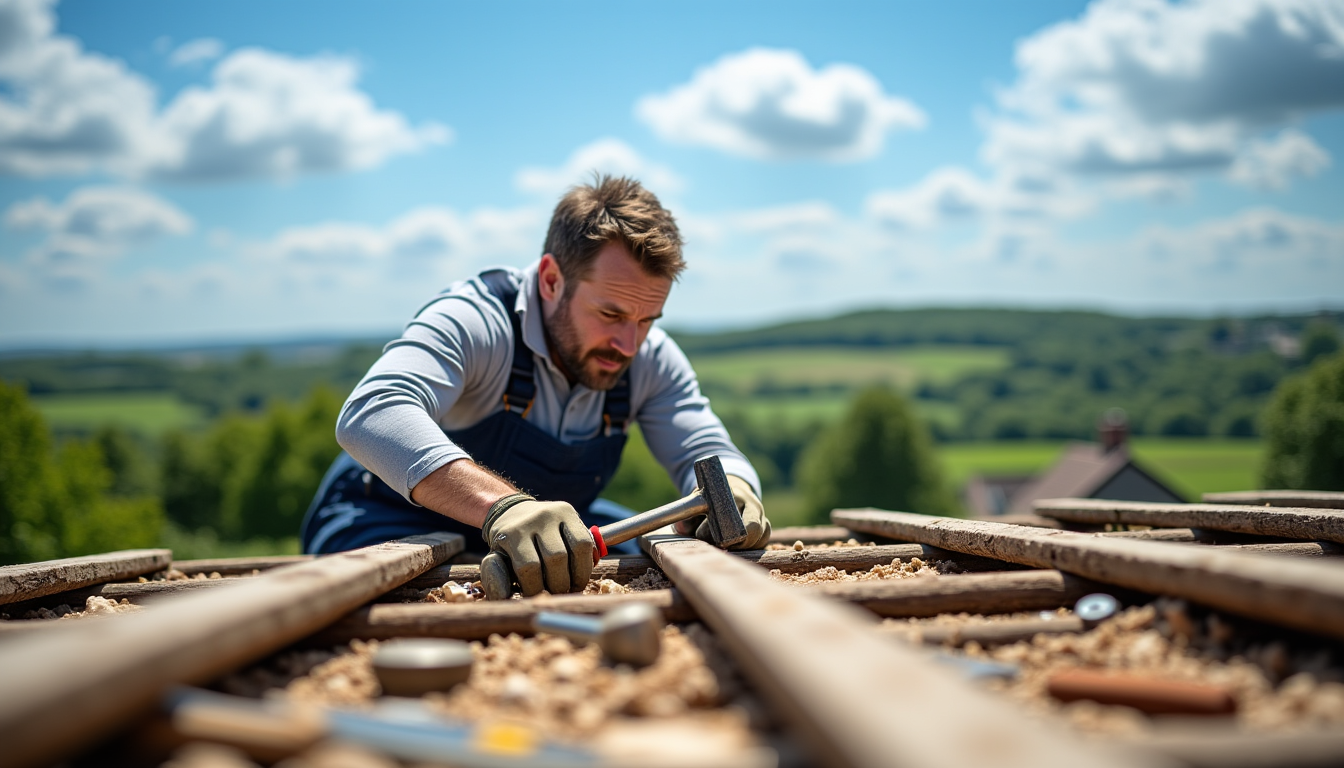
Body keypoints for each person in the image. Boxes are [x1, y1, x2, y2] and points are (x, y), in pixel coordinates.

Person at [300, 175, 770, 598]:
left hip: (539, 539)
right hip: (387, 519)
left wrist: (736, 486)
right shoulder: (476, 320)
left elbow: (704, 446)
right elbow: (372, 412)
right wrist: (502, 506)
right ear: (550, 279)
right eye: (611, 315)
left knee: (654, 548)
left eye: (648, 319)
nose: (629, 344)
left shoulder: (649, 356)